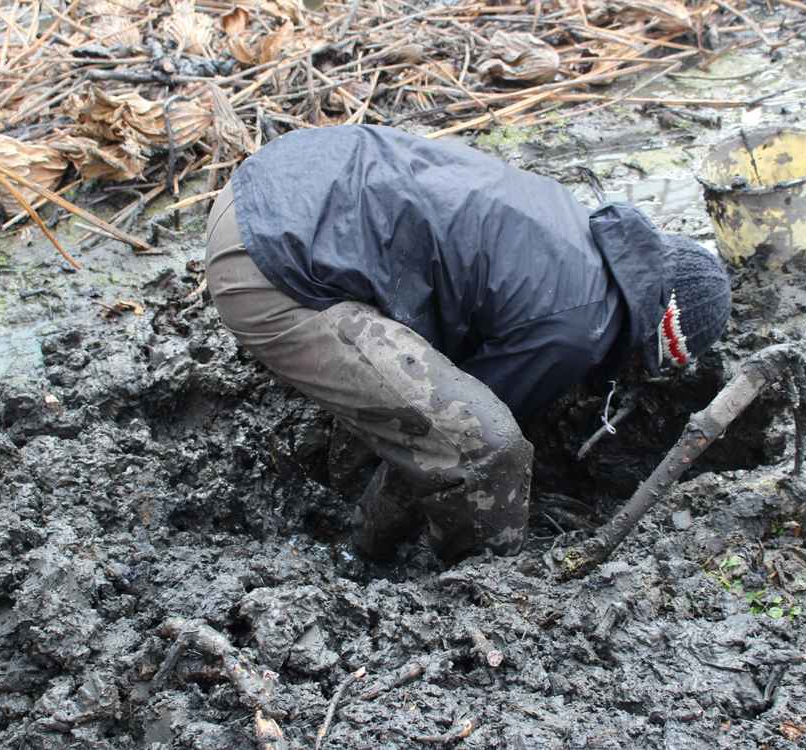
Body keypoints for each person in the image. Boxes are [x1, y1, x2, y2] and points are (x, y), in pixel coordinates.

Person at [205, 124, 731, 560]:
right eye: (646, 362)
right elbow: (463, 438)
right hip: (268, 270)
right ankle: (395, 566)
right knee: (485, 447)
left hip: (281, 177)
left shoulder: (570, 220)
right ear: (655, 334)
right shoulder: (582, 324)